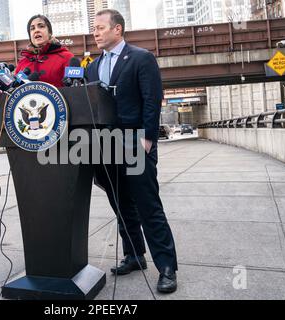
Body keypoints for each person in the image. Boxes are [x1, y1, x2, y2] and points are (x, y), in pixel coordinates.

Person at [86, 9, 178, 294]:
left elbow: (152, 99)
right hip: (105, 146)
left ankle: (166, 267)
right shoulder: (91, 67)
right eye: (94, 29)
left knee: (148, 206)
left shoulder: (141, 58)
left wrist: (148, 138)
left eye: (101, 27)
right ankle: (134, 255)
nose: (96, 33)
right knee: (121, 204)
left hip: (135, 142)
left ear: (118, 29)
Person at [15, 14, 74, 88]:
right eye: (32, 28)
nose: (36, 30)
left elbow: (76, 89)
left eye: (41, 26)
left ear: (50, 32)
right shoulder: (22, 64)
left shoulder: (66, 57)